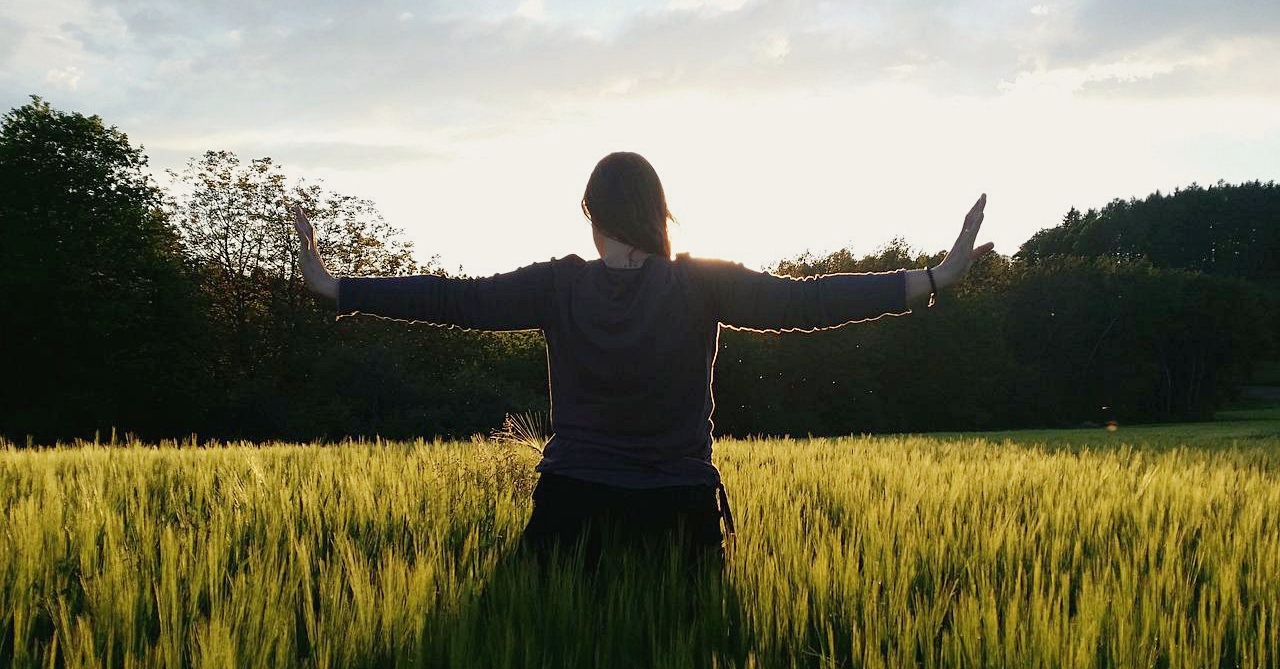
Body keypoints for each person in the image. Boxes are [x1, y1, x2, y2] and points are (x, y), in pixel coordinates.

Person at [292, 151, 993, 573]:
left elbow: (451, 301)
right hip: (677, 515)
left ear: (593, 214)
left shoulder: (558, 285)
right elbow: (805, 302)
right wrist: (931, 279)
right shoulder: (700, 282)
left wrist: (337, 287)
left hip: (571, 512)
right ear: (659, 212)